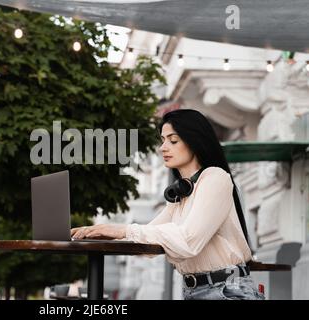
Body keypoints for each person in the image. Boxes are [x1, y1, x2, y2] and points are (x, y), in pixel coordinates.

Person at [71, 109, 265, 300]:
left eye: (173, 140)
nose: (163, 147)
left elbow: (188, 241)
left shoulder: (215, 177)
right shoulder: (183, 193)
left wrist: (123, 231)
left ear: (195, 141)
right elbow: (149, 237)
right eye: (162, 140)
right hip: (196, 290)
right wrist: (102, 232)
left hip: (225, 290)